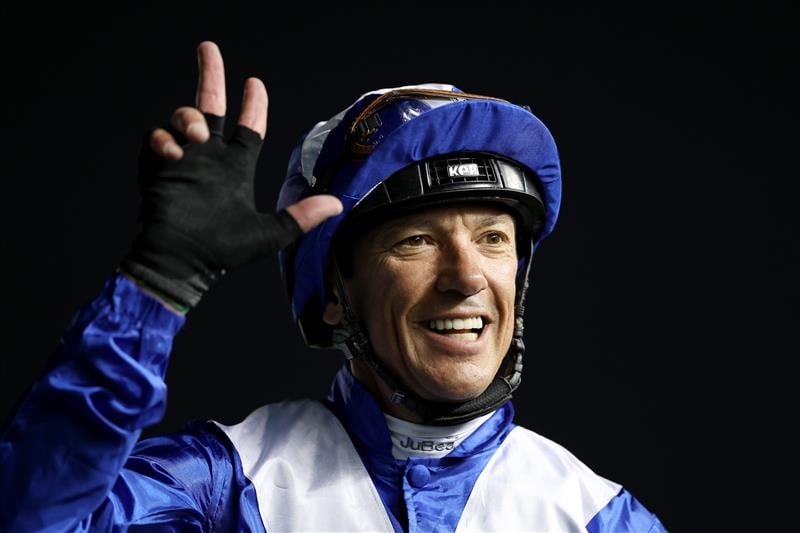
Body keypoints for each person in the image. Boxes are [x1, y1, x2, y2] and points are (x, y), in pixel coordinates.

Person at [0, 41, 666, 532]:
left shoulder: (597, 516)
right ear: (335, 297)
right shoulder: (229, 481)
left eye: (493, 238)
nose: (467, 277)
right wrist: (157, 283)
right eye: (417, 241)